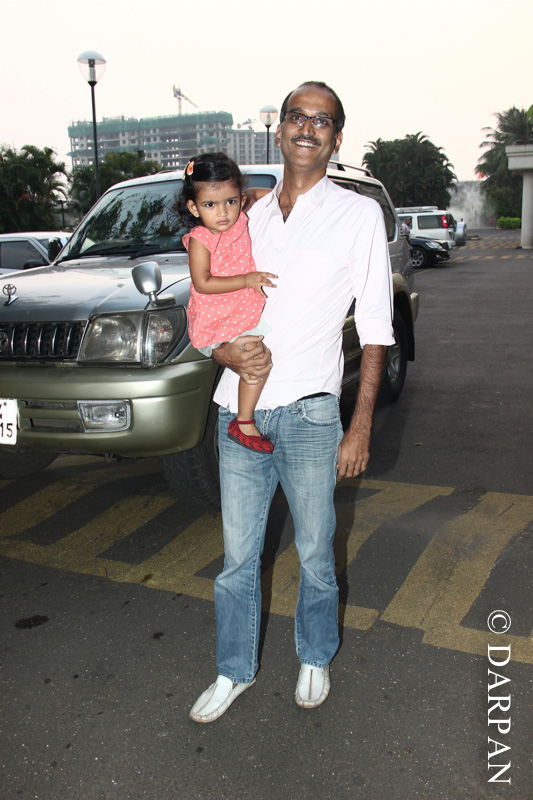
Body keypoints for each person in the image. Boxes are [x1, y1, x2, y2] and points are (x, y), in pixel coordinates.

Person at [189, 81, 394, 723]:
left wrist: (360, 426)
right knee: (236, 561)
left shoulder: (357, 215)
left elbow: (377, 327)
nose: (308, 128)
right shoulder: (241, 212)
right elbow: (205, 300)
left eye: (322, 120)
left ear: (337, 137)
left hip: (310, 413)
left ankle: (314, 655)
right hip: (238, 411)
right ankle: (233, 670)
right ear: (278, 129)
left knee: (315, 552)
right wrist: (220, 352)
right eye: (297, 117)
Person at [179, 153, 277, 453]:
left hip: (240, 308)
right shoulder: (200, 239)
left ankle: (244, 419)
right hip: (219, 315)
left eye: (230, 201)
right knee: (256, 361)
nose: (223, 212)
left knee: (258, 361)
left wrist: (277, 196)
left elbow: (259, 195)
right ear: (194, 207)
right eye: (210, 205)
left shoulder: (240, 213)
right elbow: (202, 282)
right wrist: (246, 279)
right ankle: (243, 421)